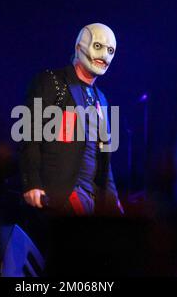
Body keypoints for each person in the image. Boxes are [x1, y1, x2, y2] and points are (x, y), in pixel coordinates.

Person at [19, 23, 123, 217]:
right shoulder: (52, 81)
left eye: (110, 50)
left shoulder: (103, 99)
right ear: (79, 47)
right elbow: (28, 133)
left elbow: (105, 160)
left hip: (94, 200)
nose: (104, 56)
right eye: (98, 47)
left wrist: (113, 202)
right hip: (62, 195)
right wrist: (32, 182)